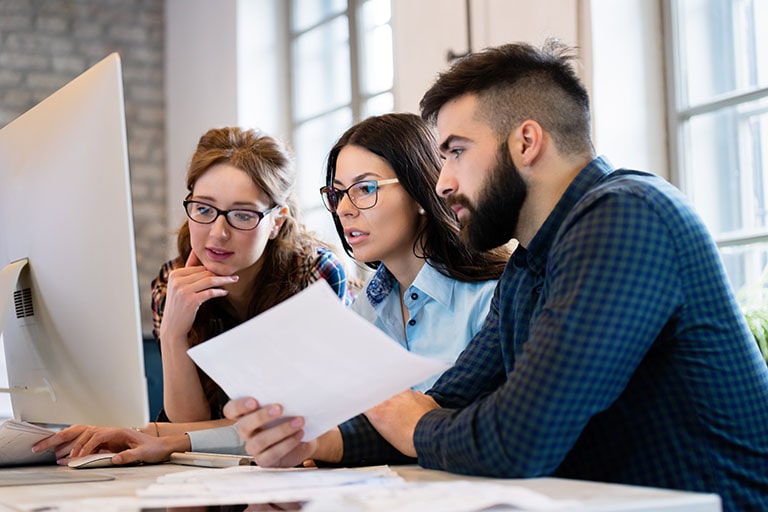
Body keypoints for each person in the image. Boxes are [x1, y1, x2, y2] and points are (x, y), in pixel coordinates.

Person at [223, 41, 768, 510]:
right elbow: (451, 400)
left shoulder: (625, 215)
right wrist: (315, 442)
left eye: (457, 153)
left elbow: (517, 439)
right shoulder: (529, 266)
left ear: (526, 142)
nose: (442, 183)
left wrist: (403, 416)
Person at [32, 126, 350, 461]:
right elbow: (191, 428)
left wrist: (155, 435)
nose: (218, 232)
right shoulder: (173, 282)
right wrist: (173, 334)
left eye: (242, 215)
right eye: (203, 209)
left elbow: (287, 428)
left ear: (276, 221)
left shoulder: (314, 274)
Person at [322, 112, 509, 391]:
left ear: (421, 191)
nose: (344, 209)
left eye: (364, 188)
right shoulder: (366, 309)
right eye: (338, 193)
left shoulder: (490, 298)